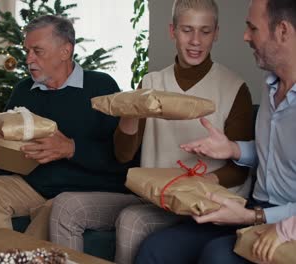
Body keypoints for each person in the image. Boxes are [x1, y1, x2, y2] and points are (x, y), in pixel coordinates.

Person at [49, 0, 254, 263]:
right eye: (186, 30)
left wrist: (186, 187)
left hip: (201, 204)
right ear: (172, 31)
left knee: (133, 220)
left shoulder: (234, 88)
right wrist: (129, 114)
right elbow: (123, 155)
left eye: (205, 31)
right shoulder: (151, 83)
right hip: (151, 198)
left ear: (216, 33)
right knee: (66, 205)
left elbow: (239, 169)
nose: (195, 41)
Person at [135, 0, 296, 263]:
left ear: (283, 31)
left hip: (280, 219)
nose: (245, 36)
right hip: (252, 210)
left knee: (217, 256)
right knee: (155, 250)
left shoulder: (236, 87)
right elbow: (277, 154)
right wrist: (233, 149)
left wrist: (262, 219)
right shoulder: (271, 88)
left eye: (252, 28)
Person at [0, 15, 131, 239]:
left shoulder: (102, 86)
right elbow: (7, 151)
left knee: (55, 209)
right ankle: (0, 255)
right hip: (34, 186)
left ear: (65, 51)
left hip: (83, 191)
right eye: (27, 51)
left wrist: (71, 148)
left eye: (37, 51)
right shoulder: (24, 90)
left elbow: (124, 158)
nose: (28, 59)